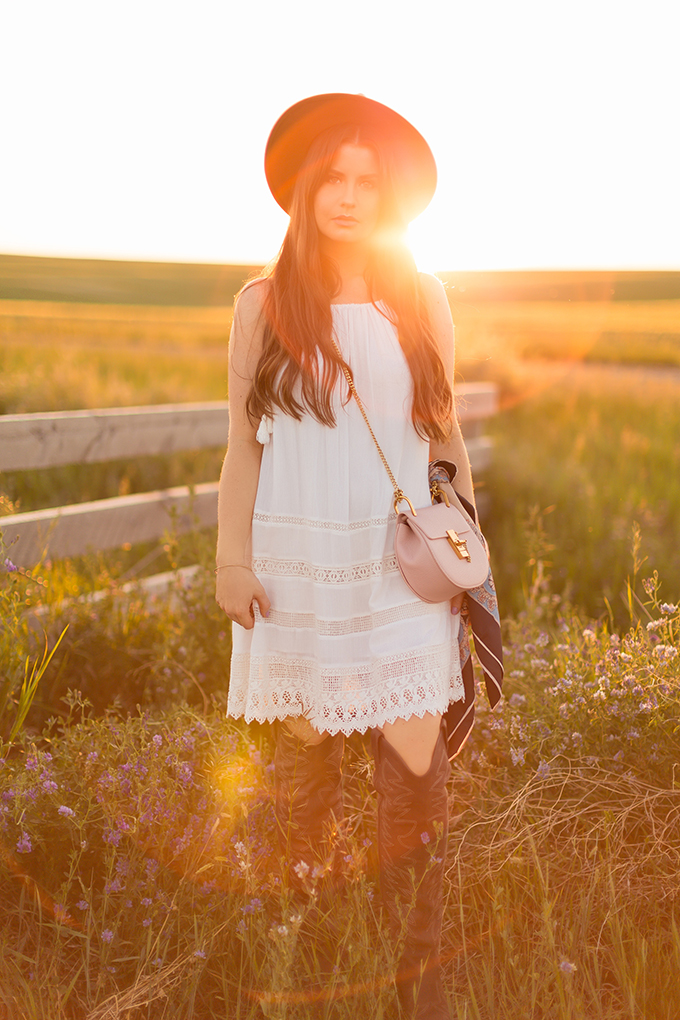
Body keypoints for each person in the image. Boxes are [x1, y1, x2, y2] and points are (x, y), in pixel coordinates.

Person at [215, 93, 502, 1020]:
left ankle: (420, 988)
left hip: (401, 575)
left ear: (390, 196)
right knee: (303, 789)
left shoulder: (420, 296)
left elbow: (445, 430)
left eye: (366, 180)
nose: (347, 196)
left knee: (412, 789)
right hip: (296, 576)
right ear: (303, 192)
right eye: (331, 179)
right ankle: (301, 978)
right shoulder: (263, 305)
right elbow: (242, 445)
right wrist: (230, 559)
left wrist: (467, 561)